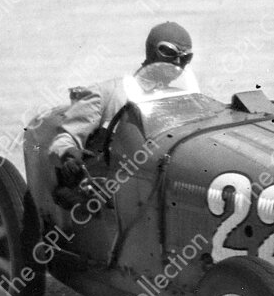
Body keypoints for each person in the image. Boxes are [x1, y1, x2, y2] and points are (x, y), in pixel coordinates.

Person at [49, 22, 194, 183]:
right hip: (114, 184)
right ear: (152, 52)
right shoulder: (108, 94)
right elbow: (65, 138)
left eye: (185, 57)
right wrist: (69, 155)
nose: (178, 62)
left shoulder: (180, 99)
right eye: (169, 53)